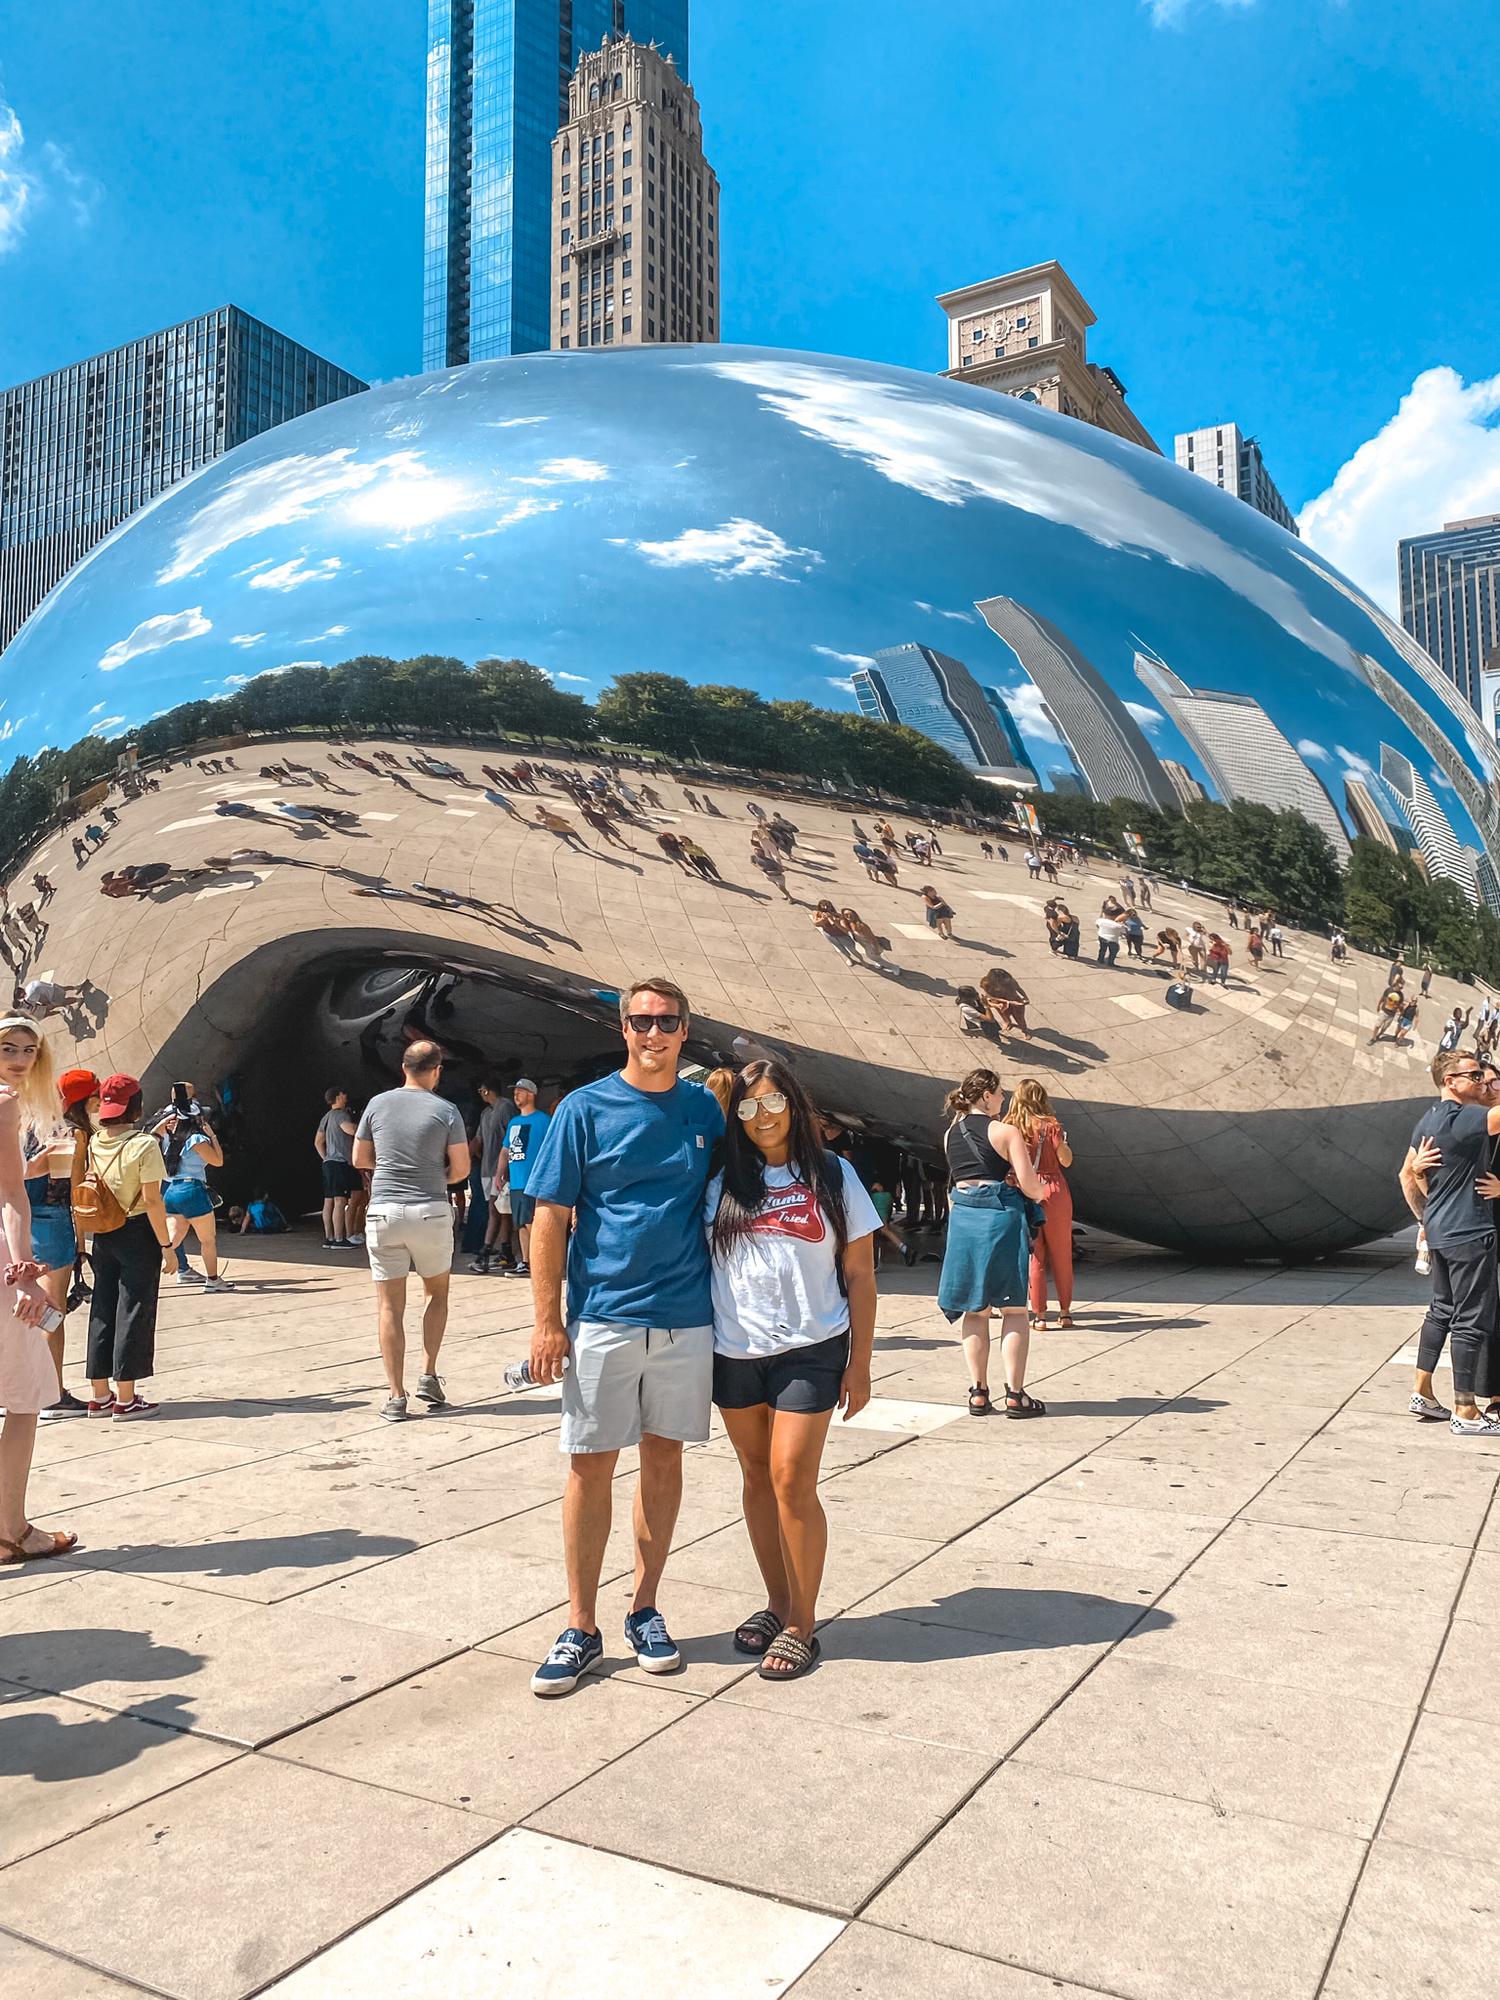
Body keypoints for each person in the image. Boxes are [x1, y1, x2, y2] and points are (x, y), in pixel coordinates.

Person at [524, 977, 724, 1697]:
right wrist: (549, 1320)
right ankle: (580, 1624)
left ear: (684, 1029)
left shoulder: (704, 1109)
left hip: (684, 1315)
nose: (654, 1031)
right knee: (590, 1465)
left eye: (667, 1020)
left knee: (664, 1462)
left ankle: (644, 1608)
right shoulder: (584, 1108)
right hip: (604, 1314)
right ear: (623, 1028)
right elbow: (549, 1216)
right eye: (642, 1020)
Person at [709, 1060, 879, 1679]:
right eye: (749, 1108)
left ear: (794, 1104)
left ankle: (803, 1622)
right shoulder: (721, 1180)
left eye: (774, 1102)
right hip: (735, 1351)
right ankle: (778, 1603)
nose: (763, 1117)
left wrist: (860, 1363)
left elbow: (860, 1272)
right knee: (756, 1477)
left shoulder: (833, 1174)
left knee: (790, 1479)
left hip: (813, 1347)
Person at [352, 1040, 469, 1423]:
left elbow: (359, 1158)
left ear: (403, 1067)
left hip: (385, 1209)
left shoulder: (376, 1104)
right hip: (430, 1210)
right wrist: (438, 1177)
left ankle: (395, 1395)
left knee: (389, 1305)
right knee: (437, 1292)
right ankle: (429, 1373)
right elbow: (462, 1168)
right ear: (436, 1070)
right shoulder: (446, 1110)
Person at [0, 1024, 77, 1563]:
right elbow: (10, 1196)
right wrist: (24, 1274)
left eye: (30, 1050)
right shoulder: (5, 1103)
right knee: (24, 1398)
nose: (21, 1059)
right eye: (9, 1049)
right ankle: (12, 1530)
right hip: (4, 1267)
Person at [1398, 1051, 1500, 1434]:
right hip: (1470, 1231)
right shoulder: (1466, 1117)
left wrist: (1426, 1217)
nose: (1480, 1080)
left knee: (1441, 1310)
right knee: (1472, 1321)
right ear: (1450, 1081)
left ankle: (1422, 1391)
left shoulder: (1428, 1120)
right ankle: (1466, 1411)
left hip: (1440, 1231)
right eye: (1473, 1075)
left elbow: (1408, 1174)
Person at [937, 1069, 1049, 1418]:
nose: (1004, 1099)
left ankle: (978, 1393)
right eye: (1000, 1093)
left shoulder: (949, 1134)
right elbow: (1030, 1185)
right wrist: (1042, 1192)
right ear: (985, 1095)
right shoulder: (1005, 1131)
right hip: (1000, 1219)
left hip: (965, 1220)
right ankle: (1015, 1395)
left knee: (975, 1309)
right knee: (1014, 1308)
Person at [76, 1074, 173, 1420]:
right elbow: (152, 1200)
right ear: (136, 1106)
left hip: (104, 1232)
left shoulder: (96, 1141)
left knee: (103, 1307)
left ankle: (99, 1395)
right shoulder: (144, 1145)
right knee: (134, 1308)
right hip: (136, 1232)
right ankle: (126, 1397)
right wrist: (167, 1246)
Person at [29, 1059, 97, 1418]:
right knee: (51, 1312)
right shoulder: (72, 1134)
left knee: (24, 1309)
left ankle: (19, 1388)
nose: (99, 1103)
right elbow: (76, 1192)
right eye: (95, 1097)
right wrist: (82, 1244)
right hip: (53, 1222)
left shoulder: (32, 1123)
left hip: (19, 1219)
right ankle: (52, 1393)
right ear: (82, 1100)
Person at [1003, 1079, 1075, 1331]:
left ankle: (1040, 1316)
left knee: (1035, 1255)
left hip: (1024, 1188)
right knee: (1062, 1253)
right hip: (1054, 1190)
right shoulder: (1052, 1126)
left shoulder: (1010, 1126)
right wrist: (1062, 1141)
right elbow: (1066, 1161)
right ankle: (1065, 1312)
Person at [152, 1105, 235, 1294]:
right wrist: (213, 1137)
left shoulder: (168, 1139)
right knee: (207, 1240)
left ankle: (148, 1271)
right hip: (193, 1189)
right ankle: (213, 1280)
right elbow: (218, 1161)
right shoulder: (196, 1139)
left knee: (172, 1240)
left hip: (172, 1190)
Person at [503, 1078, 551, 1278]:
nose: (516, 1095)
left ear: (531, 1094)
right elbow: (506, 1149)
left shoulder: (544, 1120)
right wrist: (499, 1173)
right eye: (515, 1092)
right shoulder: (514, 1122)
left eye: (520, 1091)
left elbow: (552, 1148)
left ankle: (544, 1261)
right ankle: (526, 1261)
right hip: (516, 1180)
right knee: (520, 1223)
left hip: (534, 1180)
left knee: (533, 1222)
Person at [470, 1078, 518, 1274]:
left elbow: (512, 1138)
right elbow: (478, 1140)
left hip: (502, 1170)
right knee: (500, 1211)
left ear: (487, 1090)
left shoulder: (505, 1107)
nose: (480, 1093)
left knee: (496, 1209)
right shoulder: (485, 1113)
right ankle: (505, 1252)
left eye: (481, 1089)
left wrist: (505, 1167)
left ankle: (486, 1252)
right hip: (487, 1169)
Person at [314, 1087, 363, 1248]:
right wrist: (363, 1129)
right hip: (340, 1163)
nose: (345, 1096)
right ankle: (339, 1238)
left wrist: (326, 1157)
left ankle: (329, 1237)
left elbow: (317, 1142)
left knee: (329, 1202)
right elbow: (350, 1129)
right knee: (340, 1201)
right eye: (343, 1094)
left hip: (329, 1163)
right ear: (337, 1097)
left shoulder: (326, 1117)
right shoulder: (341, 1115)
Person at [980, 967, 1031, 1037]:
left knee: (1020, 1018)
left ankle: (1024, 1030)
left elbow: (1019, 989)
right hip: (1000, 1003)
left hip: (1015, 1001)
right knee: (1004, 1015)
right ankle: (1008, 1022)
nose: (1006, 981)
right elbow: (989, 996)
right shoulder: (986, 984)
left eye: (1007, 979)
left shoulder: (1011, 981)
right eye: (1003, 980)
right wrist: (1001, 1003)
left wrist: (1025, 997)